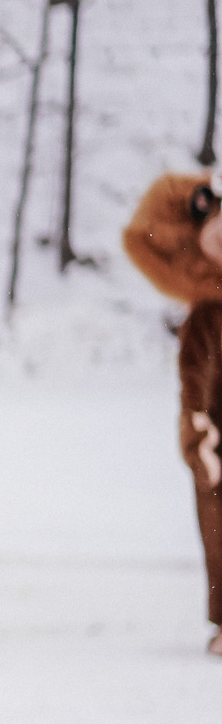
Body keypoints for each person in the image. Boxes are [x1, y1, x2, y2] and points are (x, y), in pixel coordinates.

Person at [122, 170, 222, 657]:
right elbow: (194, 384)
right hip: (218, 441)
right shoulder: (208, 314)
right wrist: (199, 434)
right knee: (219, 525)